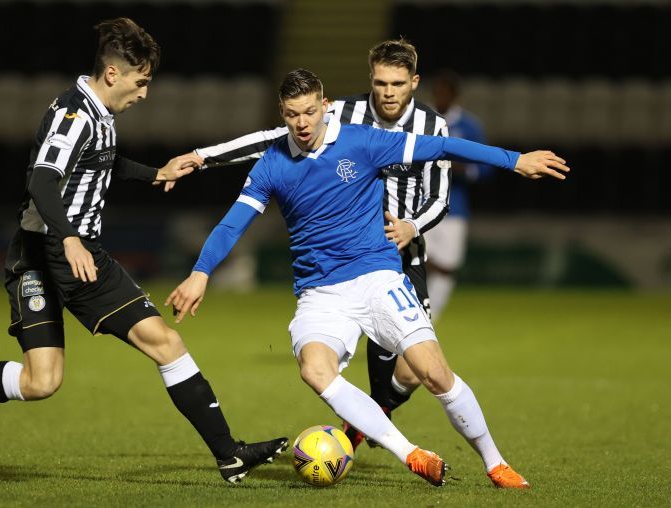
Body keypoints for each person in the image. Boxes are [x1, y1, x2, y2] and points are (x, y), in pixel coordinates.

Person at [0, 17, 287, 484]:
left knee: (165, 342)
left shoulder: (99, 114)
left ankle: (230, 454)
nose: (144, 93)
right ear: (112, 74)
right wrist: (67, 238)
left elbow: (102, 161)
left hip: (86, 257)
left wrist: (155, 174)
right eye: (141, 82)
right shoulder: (74, 114)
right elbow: (41, 179)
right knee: (41, 382)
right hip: (40, 257)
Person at [168, 69, 568, 488]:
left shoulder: (362, 141)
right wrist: (200, 273)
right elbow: (233, 224)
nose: (302, 124)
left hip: (378, 278)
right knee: (315, 369)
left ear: (325, 107)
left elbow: (445, 146)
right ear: (281, 115)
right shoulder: (272, 165)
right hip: (320, 293)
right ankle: (411, 453)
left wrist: (515, 160)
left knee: (433, 374)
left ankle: (495, 463)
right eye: (292, 115)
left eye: (309, 112)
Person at [425, 69, 491, 320]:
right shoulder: (420, 120)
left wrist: (463, 168)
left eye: (445, 92)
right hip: (423, 203)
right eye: (437, 92)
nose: (440, 96)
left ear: (454, 96)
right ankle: (414, 317)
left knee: (448, 267)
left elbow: (485, 170)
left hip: (455, 208)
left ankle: (430, 318)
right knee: (415, 260)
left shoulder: (469, 126)